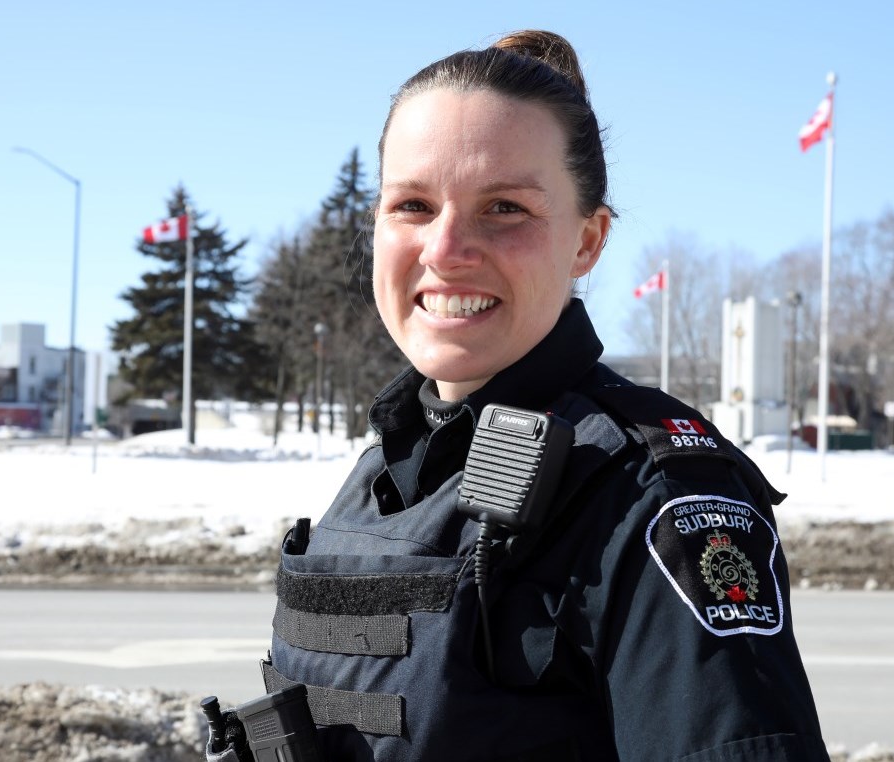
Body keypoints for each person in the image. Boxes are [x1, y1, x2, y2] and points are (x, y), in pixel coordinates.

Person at [259, 30, 829, 761]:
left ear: (588, 241)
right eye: (412, 205)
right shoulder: (384, 474)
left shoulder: (648, 495)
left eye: (504, 208)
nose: (444, 248)